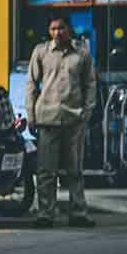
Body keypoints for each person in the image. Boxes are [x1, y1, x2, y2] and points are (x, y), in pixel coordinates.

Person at [25, 15, 97, 228]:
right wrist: (31, 114)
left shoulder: (81, 54)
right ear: (49, 31)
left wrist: (87, 113)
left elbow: (90, 84)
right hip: (47, 118)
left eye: (61, 28)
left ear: (69, 29)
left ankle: (78, 212)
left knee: (75, 170)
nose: (58, 32)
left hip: (73, 119)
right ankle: (46, 214)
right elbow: (31, 84)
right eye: (54, 28)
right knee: (46, 171)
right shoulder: (41, 52)